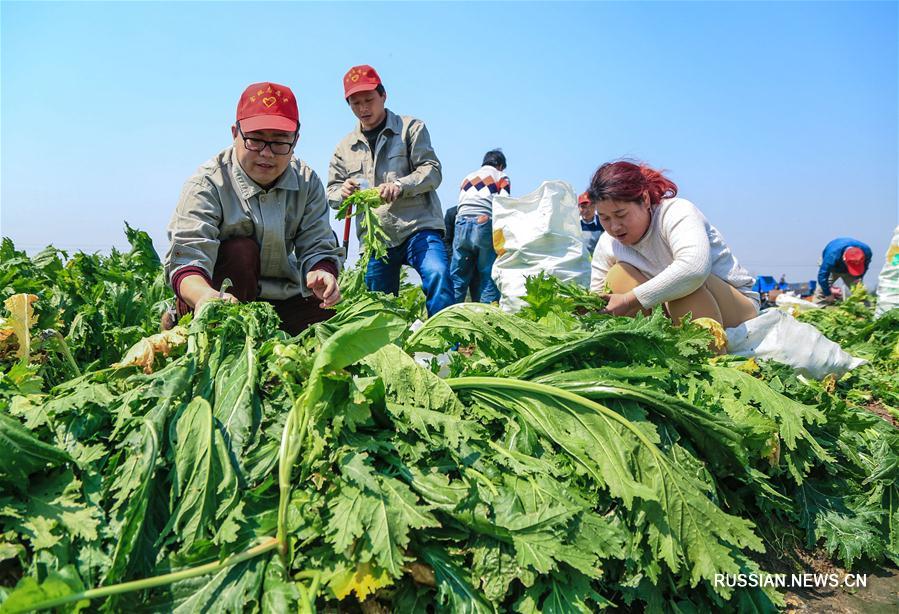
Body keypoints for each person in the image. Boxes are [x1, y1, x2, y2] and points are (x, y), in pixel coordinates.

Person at [163, 82, 343, 335]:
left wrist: (322, 272)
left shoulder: (306, 182)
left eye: (280, 142)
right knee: (240, 251)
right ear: (235, 133)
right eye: (256, 140)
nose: (267, 154)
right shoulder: (207, 183)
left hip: (282, 295)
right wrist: (205, 296)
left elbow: (318, 242)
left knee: (332, 332)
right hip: (221, 292)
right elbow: (189, 258)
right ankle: (183, 317)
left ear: (296, 140)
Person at [327, 65, 453, 316]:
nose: (363, 108)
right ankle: (391, 351)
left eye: (369, 100)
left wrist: (400, 185)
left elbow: (432, 171)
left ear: (383, 96)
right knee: (379, 306)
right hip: (377, 239)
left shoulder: (410, 128)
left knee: (437, 273)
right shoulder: (344, 147)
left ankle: (447, 347)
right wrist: (343, 192)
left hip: (417, 226)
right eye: (355, 103)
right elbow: (331, 191)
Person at [588, 160, 758, 328]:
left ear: (645, 199)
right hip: (667, 306)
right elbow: (598, 295)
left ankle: (709, 353)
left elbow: (694, 270)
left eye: (621, 214)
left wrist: (627, 300)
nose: (614, 226)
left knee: (685, 290)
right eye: (605, 218)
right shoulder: (608, 243)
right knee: (619, 275)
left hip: (735, 305)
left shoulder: (675, 213)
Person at [449, 150, 509, 303]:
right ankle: (487, 319)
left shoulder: (468, 177)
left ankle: (448, 318)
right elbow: (504, 204)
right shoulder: (500, 176)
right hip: (482, 223)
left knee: (457, 278)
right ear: (500, 165)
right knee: (487, 275)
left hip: (461, 223)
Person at [813, 238, 872, 305]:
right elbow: (822, 275)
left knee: (860, 292)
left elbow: (865, 267)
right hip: (832, 268)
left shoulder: (866, 252)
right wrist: (828, 294)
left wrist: (860, 278)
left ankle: (865, 311)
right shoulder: (832, 255)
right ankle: (819, 308)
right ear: (844, 258)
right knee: (821, 292)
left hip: (849, 272)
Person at [443, 205, 481, 301]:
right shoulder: (452, 213)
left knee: (480, 299)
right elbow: (445, 240)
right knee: (456, 295)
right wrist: (453, 259)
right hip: (458, 262)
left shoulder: (486, 213)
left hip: (479, 265)